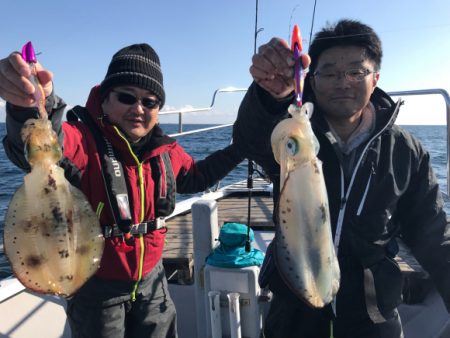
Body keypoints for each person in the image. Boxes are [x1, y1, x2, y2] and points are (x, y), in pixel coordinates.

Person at [1, 43, 244, 337]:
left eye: (150, 101)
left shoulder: (165, 150)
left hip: (153, 282)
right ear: (104, 101)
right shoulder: (84, 141)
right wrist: (30, 105)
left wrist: (239, 149)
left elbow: (195, 177)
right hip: (95, 288)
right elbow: (44, 145)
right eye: (127, 97)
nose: (138, 109)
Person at [233, 19, 450, 338]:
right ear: (313, 80)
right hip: (294, 311)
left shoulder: (405, 150)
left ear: (375, 78)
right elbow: (249, 140)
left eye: (355, 71)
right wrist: (268, 98)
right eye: (330, 72)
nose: (343, 82)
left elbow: (431, 232)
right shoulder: (292, 132)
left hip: (373, 316)